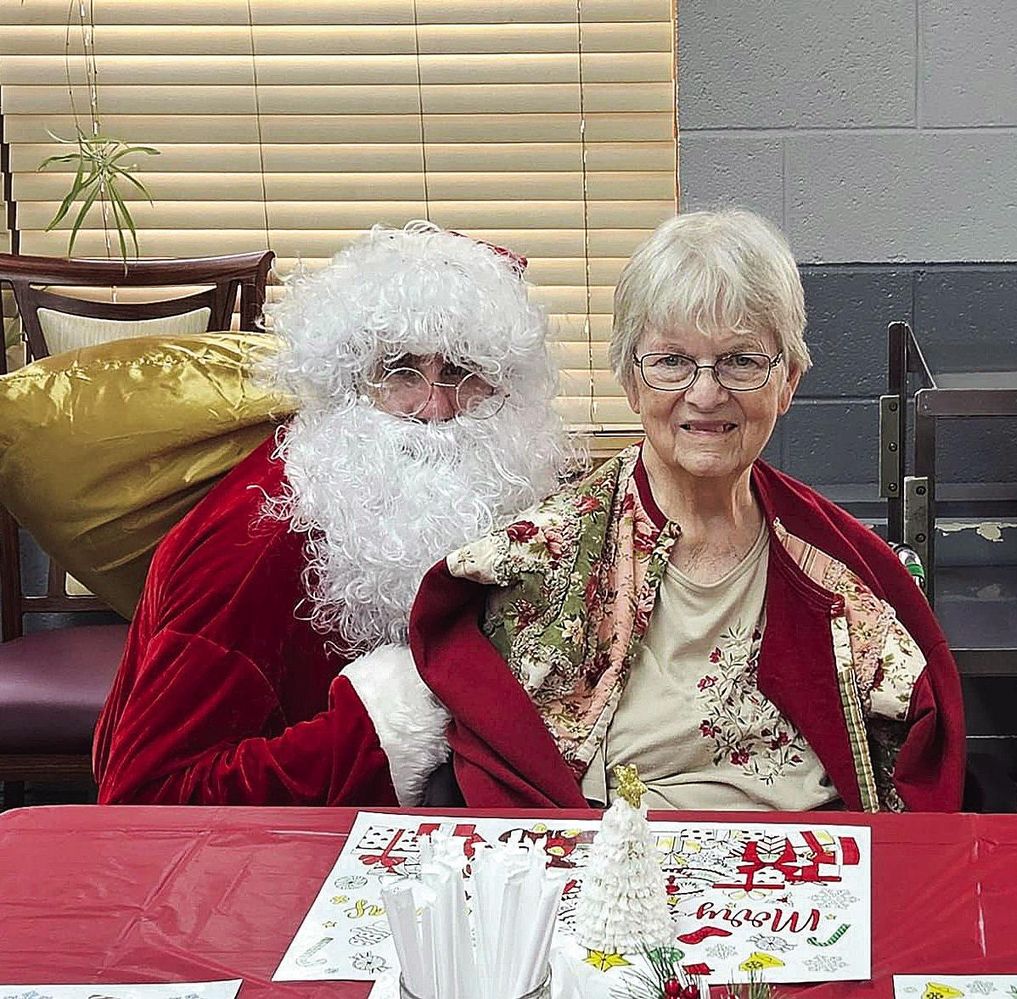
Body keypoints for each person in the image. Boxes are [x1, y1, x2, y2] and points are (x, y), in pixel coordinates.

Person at [408, 209, 966, 812]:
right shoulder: (546, 556)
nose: (705, 394)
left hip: (802, 868)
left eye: (742, 361)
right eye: (672, 360)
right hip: (616, 872)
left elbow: (914, 771)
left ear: (789, 383)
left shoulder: (839, 566)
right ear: (629, 379)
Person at [93, 222, 571, 806]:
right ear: (348, 380)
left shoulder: (503, 488)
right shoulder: (258, 540)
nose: (435, 408)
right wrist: (376, 731)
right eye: (399, 372)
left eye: (464, 374)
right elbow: (147, 796)